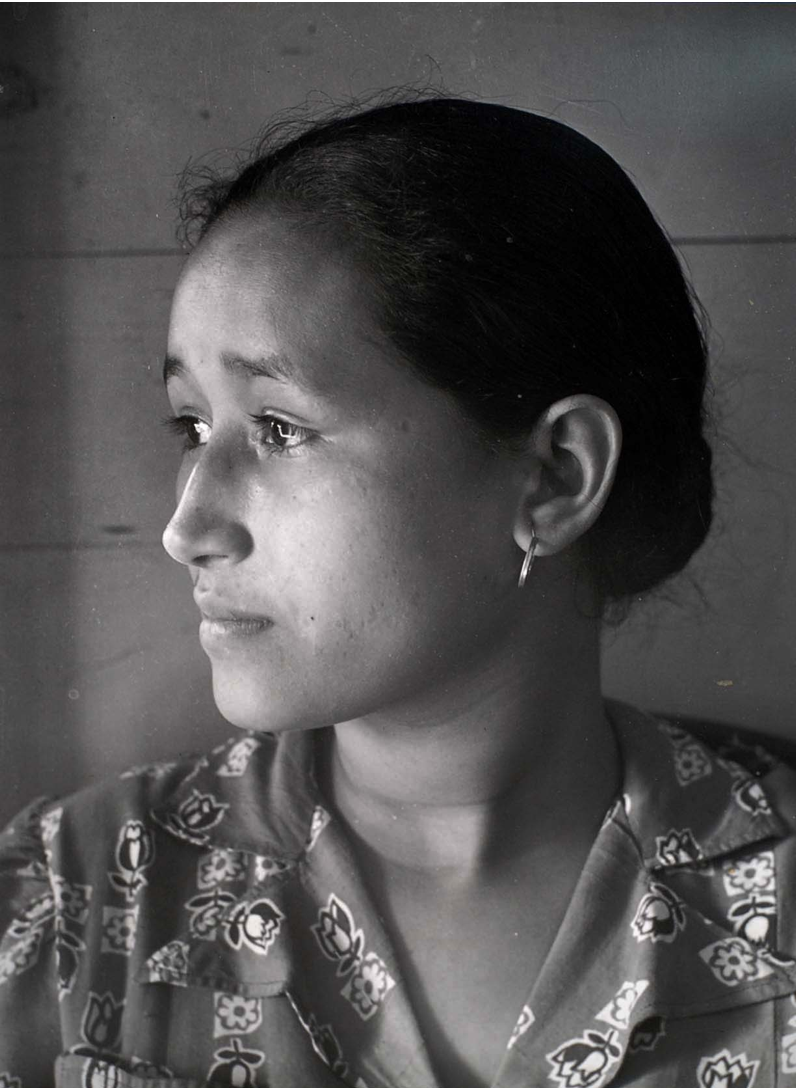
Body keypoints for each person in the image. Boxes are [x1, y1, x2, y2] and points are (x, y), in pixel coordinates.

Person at [1, 94, 795, 1088]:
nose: (187, 527)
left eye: (280, 428)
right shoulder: (66, 912)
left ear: (553, 473)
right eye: (193, 427)